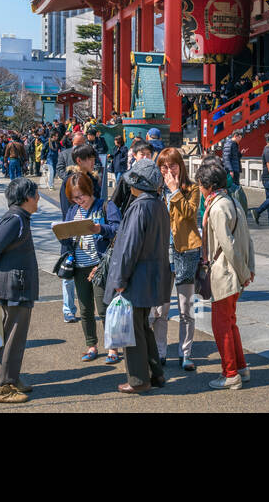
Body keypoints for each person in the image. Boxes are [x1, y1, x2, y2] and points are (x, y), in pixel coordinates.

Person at [105, 158, 172, 394]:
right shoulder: (158, 204)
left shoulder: (140, 206)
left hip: (136, 277)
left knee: (133, 330)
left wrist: (120, 280)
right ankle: (156, 374)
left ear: (138, 184)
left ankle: (138, 379)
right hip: (152, 276)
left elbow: (129, 247)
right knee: (143, 327)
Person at [0, 177, 40, 403]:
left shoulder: (20, 217)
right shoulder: (14, 219)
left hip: (17, 284)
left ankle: (11, 378)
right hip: (14, 286)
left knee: (16, 336)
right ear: (25, 198)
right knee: (12, 336)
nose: (38, 198)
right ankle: (2, 387)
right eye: (35, 194)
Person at [199, 157, 256, 389]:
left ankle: (230, 372)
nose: (200, 190)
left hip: (225, 273)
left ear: (209, 186)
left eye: (201, 185)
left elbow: (228, 245)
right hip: (236, 273)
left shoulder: (217, 207)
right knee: (230, 322)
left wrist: (243, 272)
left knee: (221, 325)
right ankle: (241, 367)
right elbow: (247, 239)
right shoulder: (233, 200)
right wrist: (249, 269)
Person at [60, 172, 121, 365]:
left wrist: (100, 228)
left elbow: (118, 228)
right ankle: (91, 345)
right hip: (79, 264)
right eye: (74, 198)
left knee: (104, 308)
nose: (79, 201)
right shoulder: (72, 210)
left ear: (89, 190)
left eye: (81, 196)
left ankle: (112, 346)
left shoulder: (104, 206)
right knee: (85, 309)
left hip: (99, 264)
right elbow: (68, 235)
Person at [153, 147, 201, 371]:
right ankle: (160, 352)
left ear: (181, 166)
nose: (168, 170)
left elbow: (190, 214)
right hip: (162, 254)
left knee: (186, 308)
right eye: (163, 166)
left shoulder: (192, 189)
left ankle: (186, 353)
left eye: (173, 165)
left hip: (187, 252)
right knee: (160, 310)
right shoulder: (155, 191)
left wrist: (174, 191)